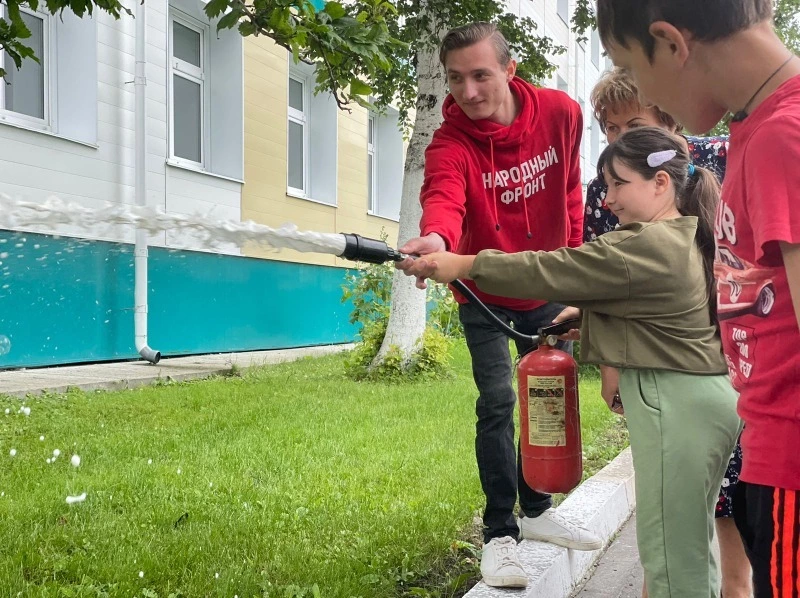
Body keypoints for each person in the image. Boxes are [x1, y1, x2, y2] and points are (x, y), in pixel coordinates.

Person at [412, 127, 743, 598]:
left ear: (660, 183)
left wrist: (462, 264)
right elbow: (660, 314)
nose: (608, 199)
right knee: (689, 546)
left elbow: (551, 268)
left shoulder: (644, 243)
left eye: (618, 184)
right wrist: (588, 319)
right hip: (704, 399)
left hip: (677, 401)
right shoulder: (686, 232)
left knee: (671, 561)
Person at [595, 1, 800, 595]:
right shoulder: (758, 130)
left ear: (670, 43)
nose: (646, 97)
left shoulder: (783, 137)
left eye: (634, 69)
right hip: (769, 448)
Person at [395, 21, 601, 588]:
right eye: (455, 78)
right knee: (497, 402)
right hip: (483, 292)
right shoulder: (450, 142)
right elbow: (443, 198)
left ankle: (537, 512)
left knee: (545, 397)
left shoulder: (560, 113)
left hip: (547, 284)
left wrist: (573, 269)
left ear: (510, 70)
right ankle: (500, 533)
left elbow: (571, 190)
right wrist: (436, 239)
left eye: (481, 75)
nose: (468, 91)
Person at [586, 68, 749, 598]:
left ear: (668, 118)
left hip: (735, 351)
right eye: (610, 129)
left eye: (633, 125)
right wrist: (611, 368)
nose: (619, 140)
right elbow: (602, 284)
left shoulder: (721, 158)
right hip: (664, 365)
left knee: (731, 493)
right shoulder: (607, 184)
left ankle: (735, 585)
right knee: (676, 497)